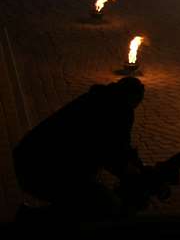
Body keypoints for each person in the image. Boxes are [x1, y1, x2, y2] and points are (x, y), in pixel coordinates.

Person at [13, 77, 147, 221]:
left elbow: (118, 146)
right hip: (43, 168)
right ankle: (33, 220)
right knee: (100, 203)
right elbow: (111, 151)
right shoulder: (119, 110)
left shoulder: (99, 98)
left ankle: (31, 217)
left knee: (82, 198)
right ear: (132, 99)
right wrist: (131, 173)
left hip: (30, 159)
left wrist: (134, 164)